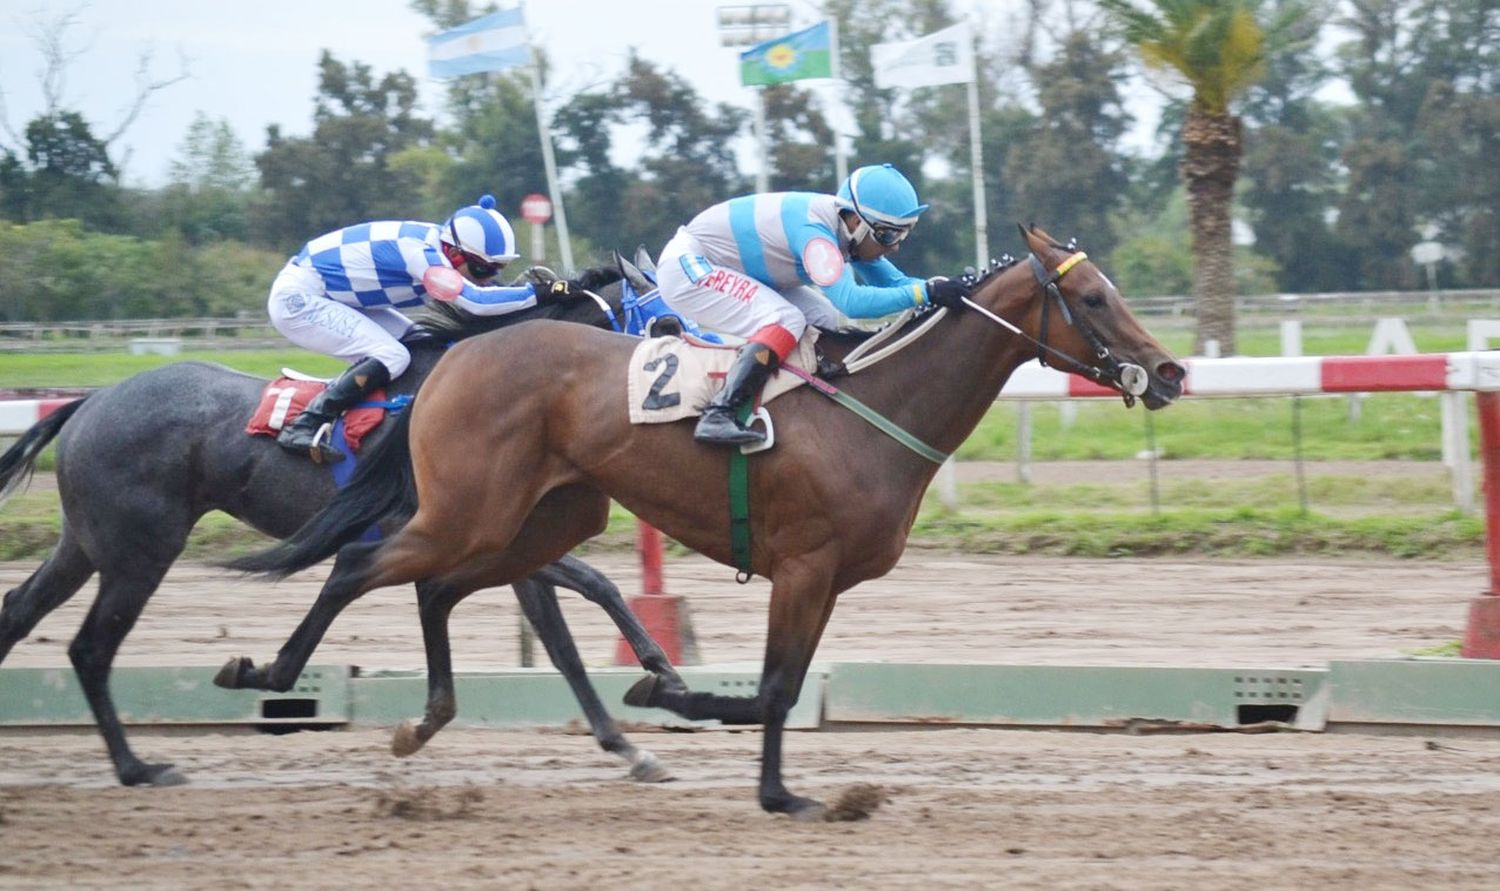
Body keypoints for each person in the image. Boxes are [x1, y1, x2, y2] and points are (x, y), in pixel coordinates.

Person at [655, 163, 972, 446]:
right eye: (889, 236)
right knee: (785, 319)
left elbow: (896, 284)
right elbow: (853, 303)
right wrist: (927, 292)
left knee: (823, 316)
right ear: (855, 222)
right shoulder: (815, 236)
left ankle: (804, 408)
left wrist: (952, 286)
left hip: (729, 265)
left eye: (904, 235)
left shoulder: (848, 230)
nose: (896, 247)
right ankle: (719, 412)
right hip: (689, 266)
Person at [266, 194, 571, 462]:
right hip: (300, 298)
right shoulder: (423, 256)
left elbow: (488, 295)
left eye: (498, 269)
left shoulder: (443, 249)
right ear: (454, 253)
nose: (489, 276)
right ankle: (306, 423)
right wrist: (547, 291)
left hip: (338, 297)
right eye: (484, 268)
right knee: (392, 356)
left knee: (422, 345)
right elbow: (477, 302)